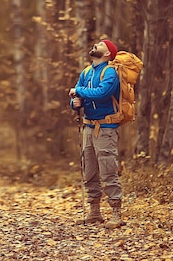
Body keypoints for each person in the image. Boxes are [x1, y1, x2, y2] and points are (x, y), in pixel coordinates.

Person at [68, 39, 123, 229]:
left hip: (106, 128)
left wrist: (79, 91)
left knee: (108, 169)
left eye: (101, 44)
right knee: (89, 170)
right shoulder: (86, 71)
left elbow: (102, 93)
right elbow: (77, 97)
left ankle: (116, 212)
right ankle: (94, 212)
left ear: (108, 53)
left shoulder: (110, 72)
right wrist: (76, 102)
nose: (95, 46)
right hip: (88, 127)